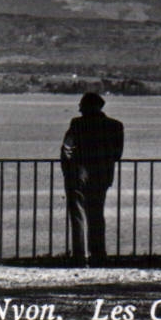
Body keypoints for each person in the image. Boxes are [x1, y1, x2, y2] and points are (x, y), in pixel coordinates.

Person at [60, 93, 124, 268]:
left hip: (77, 174)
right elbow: (117, 154)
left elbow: (66, 148)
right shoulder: (115, 126)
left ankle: (80, 257)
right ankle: (98, 255)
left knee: (78, 215)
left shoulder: (77, 124)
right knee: (97, 215)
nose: (79, 109)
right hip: (102, 175)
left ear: (87, 106)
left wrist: (67, 170)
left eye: (81, 105)